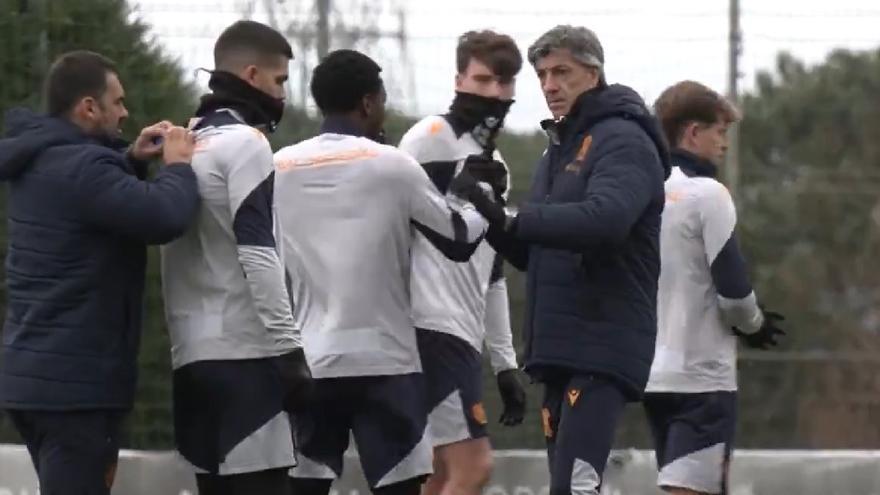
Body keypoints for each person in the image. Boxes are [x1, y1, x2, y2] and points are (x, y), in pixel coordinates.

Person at [445, 25, 670, 494]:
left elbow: (605, 220)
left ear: (593, 72)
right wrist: (490, 213)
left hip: (601, 342)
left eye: (562, 72)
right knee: (565, 487)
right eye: (542, 74)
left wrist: (513, 216)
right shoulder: (557, 150)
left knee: (575, 488)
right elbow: (535, 252)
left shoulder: (622, 139)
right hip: (561, 348)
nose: (549, 85)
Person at [274, 49, 502, 495]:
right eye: (381, 99)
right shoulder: (392, 164)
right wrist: (482, 195)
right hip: (387, 364)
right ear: (366, 103)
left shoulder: (278, 166)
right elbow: (458, 239)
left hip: (312, 360)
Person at [0, 50, 199, 495]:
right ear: (88, 107)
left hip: (39, 379)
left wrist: (130, 159)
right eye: (118, 101)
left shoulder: (44, 159)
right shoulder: (82, 168)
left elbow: (93, 206)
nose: (127, 112)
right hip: (75, 389)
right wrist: (179, 166)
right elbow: (164, 215)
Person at [159, 20, 312, 495]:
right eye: (281, 80)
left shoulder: (180, 149)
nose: (283, 93)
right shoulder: (246, 143)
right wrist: (290, 351)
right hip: (245, 356)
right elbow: (258, 251)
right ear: (252, 76)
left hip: (190, 357)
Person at [397, 30, 526, 495]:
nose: (495, 92)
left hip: (463, 334)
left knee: (437, 474)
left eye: (505, 82)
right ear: (459, 79)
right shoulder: (430, 138)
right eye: (484, 80)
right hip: (429, 325)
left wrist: (505, 361)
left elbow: (492, 269)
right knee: (473, 467)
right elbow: (388, 225)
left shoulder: (498, 166)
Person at [644, 80, 786, 495]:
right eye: (719, 131)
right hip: (703, 380)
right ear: (692, 132)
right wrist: (755, 326)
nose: (724, 143)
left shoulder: (642, 193)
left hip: (653, 375)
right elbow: (735, 294)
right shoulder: (708, 194)